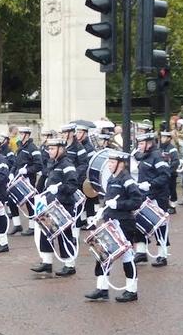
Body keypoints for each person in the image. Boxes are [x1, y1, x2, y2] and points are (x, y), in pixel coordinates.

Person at [85, 151, 142, 303]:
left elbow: (137, 201)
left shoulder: (127, 180)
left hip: (124, 223)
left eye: (112, 162)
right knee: (103, 255)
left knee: (127, 257)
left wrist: (119, 205)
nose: (109, 165)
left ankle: (132, 290)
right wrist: (101, 213)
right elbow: (109, 199)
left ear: (121, 163)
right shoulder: (111, 178)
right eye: (109, 162)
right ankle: (102, 289)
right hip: (111, 221)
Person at [32, 138, 80, 276]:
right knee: (46, 231)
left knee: (65, 235)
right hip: (51, 203)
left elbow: (72, 186)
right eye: (49, 149)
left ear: (61, 149)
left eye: (53, 149)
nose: (50, 151)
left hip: (64, 204)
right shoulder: (52, 162)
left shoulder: (67, 164)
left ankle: (70, 265)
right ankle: (47, 263)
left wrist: (59, 189)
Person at [134, 132, 172, 266]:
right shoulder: (144, 155)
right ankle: (141, 252)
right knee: (139, 222)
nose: (139, 146)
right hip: (145, 195)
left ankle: (163, 255)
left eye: (142, 143)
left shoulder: (157, 156)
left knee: (160, 226)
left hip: (158, 196)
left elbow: (165, 175)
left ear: (149, 144)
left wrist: (150, 184)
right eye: (139, 143)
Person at [12, 127, 43, 236]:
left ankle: (32, 226)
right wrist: (12, 173)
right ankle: (17, 224)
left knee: (30, 202)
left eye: (22, 133)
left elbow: (39, 165)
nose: (20, 135)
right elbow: (16, 163)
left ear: (27, 135)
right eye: (20, 133)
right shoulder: (19, 145)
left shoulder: (33, 148)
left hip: (28, 178)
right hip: (17, 177)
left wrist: (27, 170)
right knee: (12, 199)